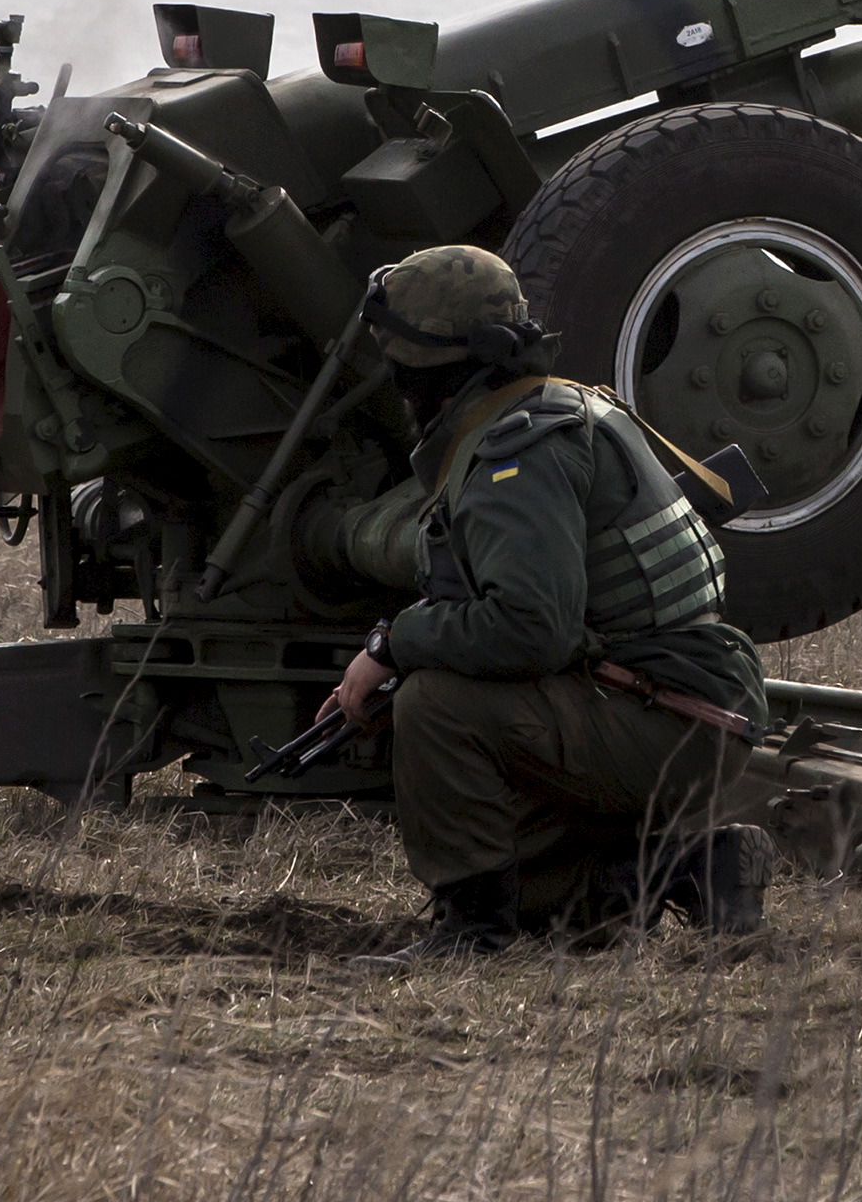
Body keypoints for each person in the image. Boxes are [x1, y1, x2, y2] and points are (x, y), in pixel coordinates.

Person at [317, 245, 775, 952]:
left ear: (428, 362)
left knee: (433, 703)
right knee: (535, 888)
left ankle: (473, 932)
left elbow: (532, 628)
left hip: (671, 716)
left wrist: (393, 644)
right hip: (676, 706)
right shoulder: (558, 406)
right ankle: (683, 868)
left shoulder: (517, 451)